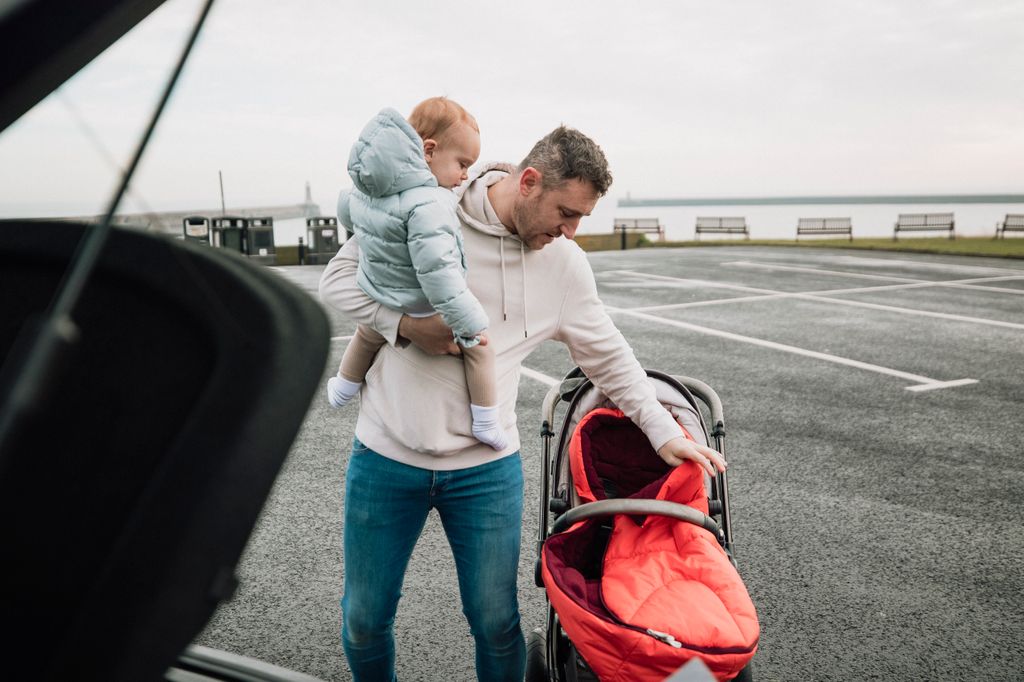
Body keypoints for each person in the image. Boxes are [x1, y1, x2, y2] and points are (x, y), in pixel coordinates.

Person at [318, 124, 728, 682]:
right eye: (566, 212)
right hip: (385, 456)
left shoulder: (563, 265)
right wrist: (406, 326)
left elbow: (609, 355)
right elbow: (338, 279)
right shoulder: (426, 209)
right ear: (528, 181)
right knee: (364, 620)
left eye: (581, 217)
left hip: (485, 472)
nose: (571, 230)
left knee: (495, 623)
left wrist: (663, 431)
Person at [326, 98, 507, 450]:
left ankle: (342, 387)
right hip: (418, 300)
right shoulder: (430, 203)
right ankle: (486, 422)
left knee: (368, 333)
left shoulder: (367, 189)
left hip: (377, 288)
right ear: (429, 150)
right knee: (480, 350)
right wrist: (469, 321)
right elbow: (440, 275)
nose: (466, 175)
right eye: (462, 163)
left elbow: (347, 211)